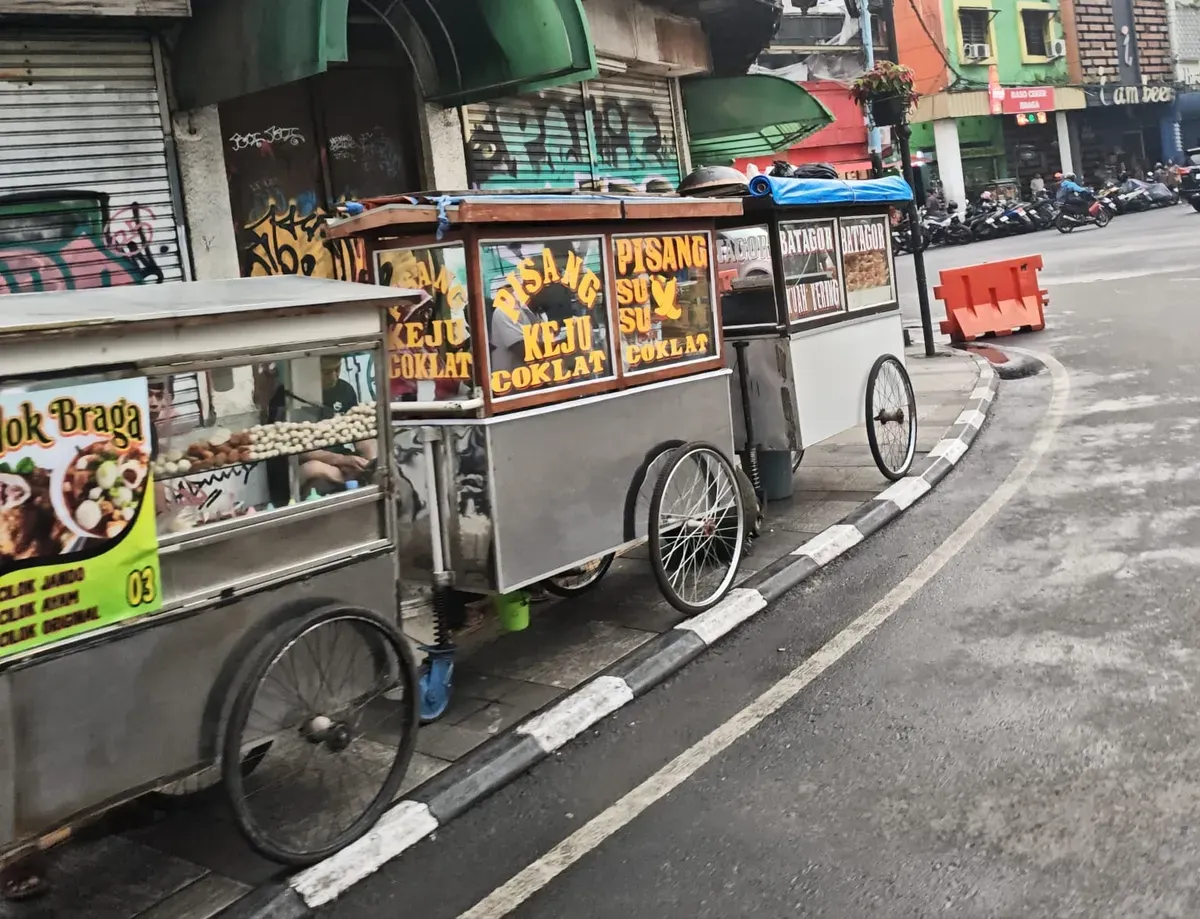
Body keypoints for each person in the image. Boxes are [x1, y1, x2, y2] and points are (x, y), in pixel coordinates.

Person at [296, 356, 378, 497]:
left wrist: (365, 449)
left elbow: (357, 432)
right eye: (327, 372)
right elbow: (302, 452)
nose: (334, 376)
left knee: (370, 443)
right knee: (312, 468)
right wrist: (341, 460)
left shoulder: (345, 390)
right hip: (313, 463)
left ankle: (370, 476)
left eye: (337, 369)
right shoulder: (297, 397)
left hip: (343, 459)